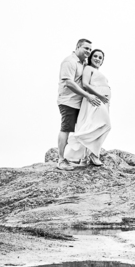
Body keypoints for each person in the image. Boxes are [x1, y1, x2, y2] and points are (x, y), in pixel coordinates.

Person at [55, 39, 106, 170]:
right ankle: (61, 160)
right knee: (66, 128)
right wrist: (88, 95)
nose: (88, 51)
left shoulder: (83, 63)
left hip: (81, 102)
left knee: (85, 129)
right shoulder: (69, 62)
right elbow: (69, 83)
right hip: (69, 101)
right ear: (77, 47)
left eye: (90, 49)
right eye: (86, 48)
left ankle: (84, 158)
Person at [65, 48, 112, 167]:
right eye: (95, 56)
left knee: (93, 126)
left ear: (102, 61)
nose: (97, 59)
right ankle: (93, 154)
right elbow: (85, 84)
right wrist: (100, 96)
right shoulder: (88, 68)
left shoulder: (98, 72)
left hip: (102, 102)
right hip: (95, 100)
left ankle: (86, 156)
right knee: (106, 125)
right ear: (90, 58)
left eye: (100, 57)